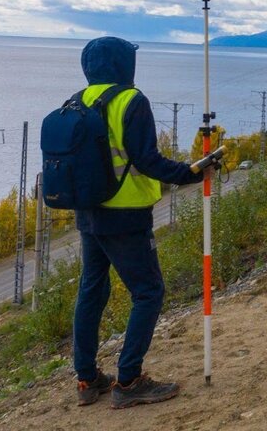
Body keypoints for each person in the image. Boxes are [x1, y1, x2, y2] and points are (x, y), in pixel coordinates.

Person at [71, 36, 206, 409]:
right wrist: (191, 173)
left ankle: (86, 379)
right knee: (148, 292)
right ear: (123, 64)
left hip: (89, 213)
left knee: (91, 292)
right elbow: (147, 161)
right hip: (127, 215)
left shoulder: (76, 101)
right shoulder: (132, 100)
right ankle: (129, 381)